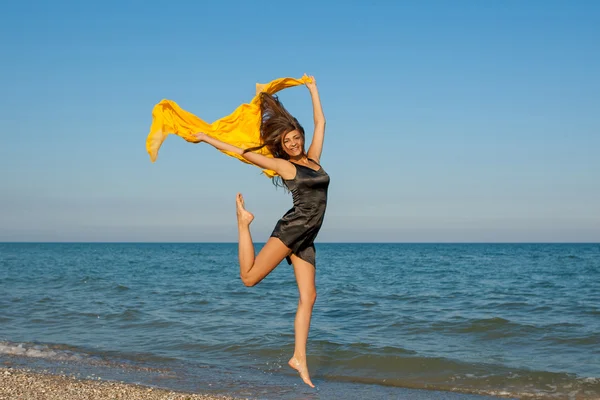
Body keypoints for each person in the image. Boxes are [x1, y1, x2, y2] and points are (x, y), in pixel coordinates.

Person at [192, 75, 328, 388]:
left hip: (307, 237)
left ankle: (299, 358)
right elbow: (246, 154)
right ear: (282, 146)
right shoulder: (286, 167)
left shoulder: (315, 161)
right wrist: (207, 139)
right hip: (292, 230)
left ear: (300, 136)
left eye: (295, 138)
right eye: (287, 142)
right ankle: (243, 224)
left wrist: (312, 88)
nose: (292, 143)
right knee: (249, 278)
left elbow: (320, 121)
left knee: (310, 296)